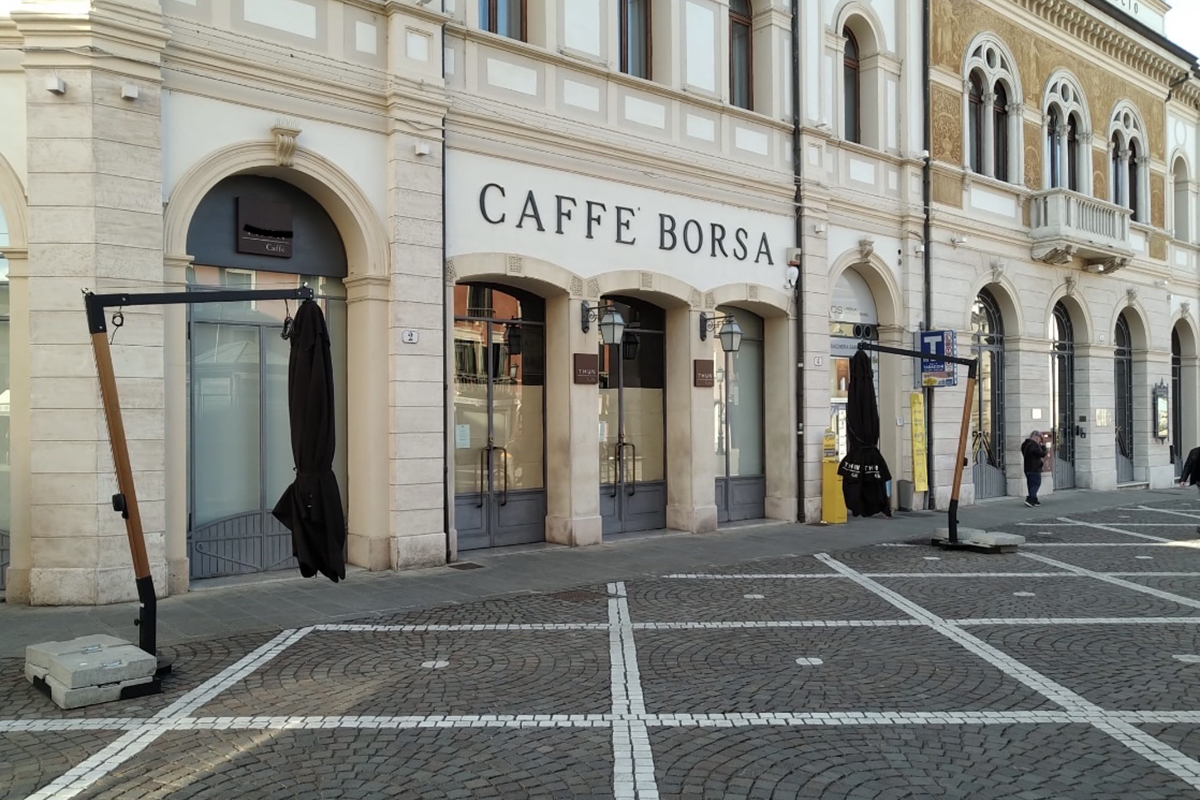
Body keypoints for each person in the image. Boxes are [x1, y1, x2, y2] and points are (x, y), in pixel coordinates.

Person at [1021, 430, 1048, 508]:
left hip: (1027, 467)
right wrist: (1043, 445)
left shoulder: (1024, 444)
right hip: (1034, 468)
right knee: (1036, 483)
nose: (1039, 439)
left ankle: (1034, 499)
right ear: (1036, 437)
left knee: (1031, 484)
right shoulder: (1034, 445)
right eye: (1039, 437)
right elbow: (1042, 454)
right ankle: (1030, 499)